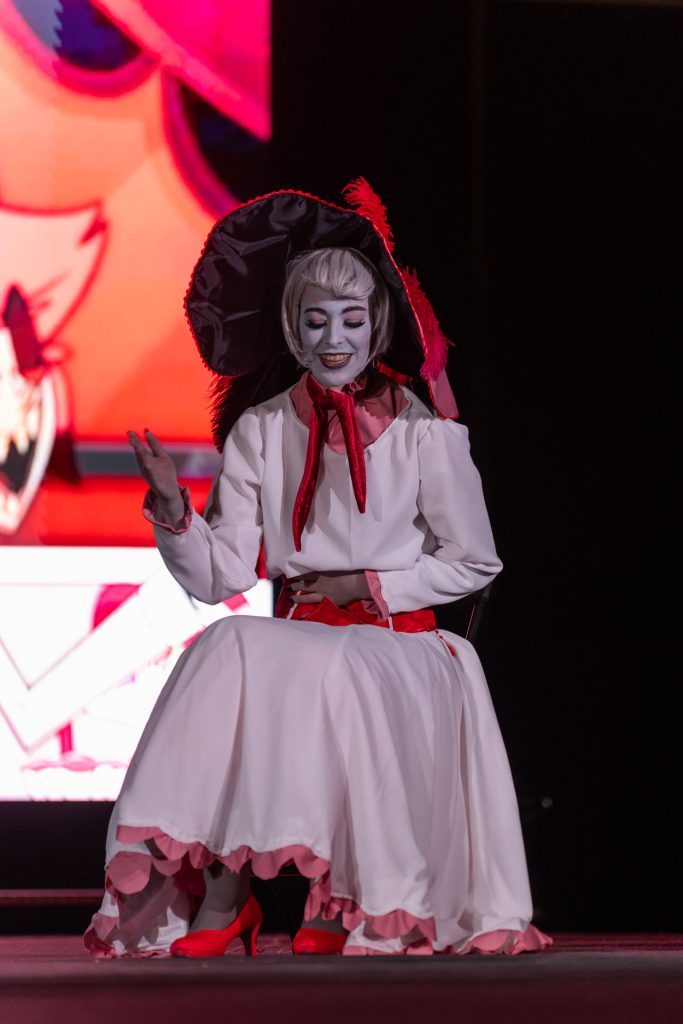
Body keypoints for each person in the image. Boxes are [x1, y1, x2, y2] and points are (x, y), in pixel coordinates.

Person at [84, 180, 551, 957]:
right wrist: (173, 512)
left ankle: (338, 899)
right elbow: (221, 576)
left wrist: (368, 584)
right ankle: (224, 892)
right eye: (315, 320)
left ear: (377, 325)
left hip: (403, 641)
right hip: (308, 637)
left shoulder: (424, 435)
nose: (334, 337)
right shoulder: (263, 431)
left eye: (351, 319)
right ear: (293, 328)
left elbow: (474, 560)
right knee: (226, 646)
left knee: (338, 668)